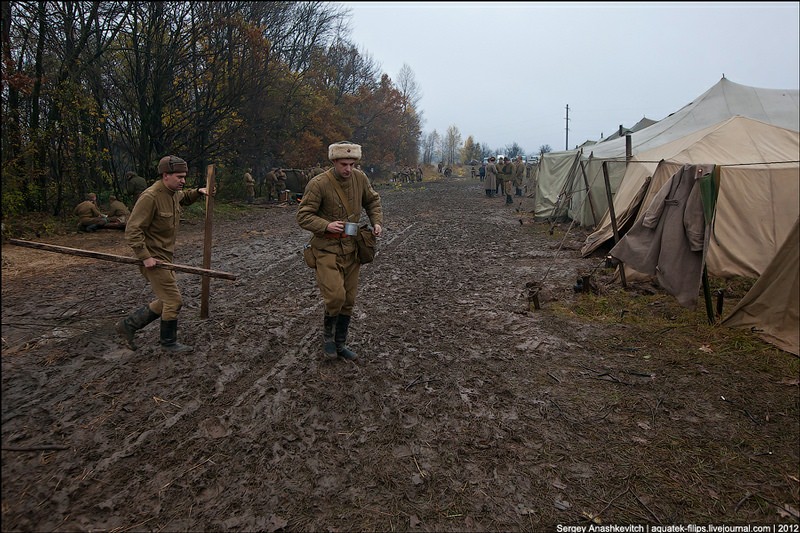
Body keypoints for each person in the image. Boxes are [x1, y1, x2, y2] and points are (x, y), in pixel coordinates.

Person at [116, 155, 213, 353]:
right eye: (179, 177)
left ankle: (128, 325)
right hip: (153, 259)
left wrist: (199, 192)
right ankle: (168, 343)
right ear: (165, 175)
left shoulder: (172, 193)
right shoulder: (150, 197)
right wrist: (145, 257)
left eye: (184, 177)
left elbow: (184, 197)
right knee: (173, 301)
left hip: (165, 258)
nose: (183, 181)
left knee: (164, 300)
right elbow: (133, 230)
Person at [296, 141, 383, 361]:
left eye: (352, 164)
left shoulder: (360, 179)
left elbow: (372, 201)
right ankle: (327, 339)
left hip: (352, 249)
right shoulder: (319, 184)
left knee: (349, 299)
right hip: (326, 249)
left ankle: (340, 343)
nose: (348, 169)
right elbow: (303, 215)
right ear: (334, 161)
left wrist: (377, 222)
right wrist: (326, 226)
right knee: (335, 296)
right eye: (344, 164)